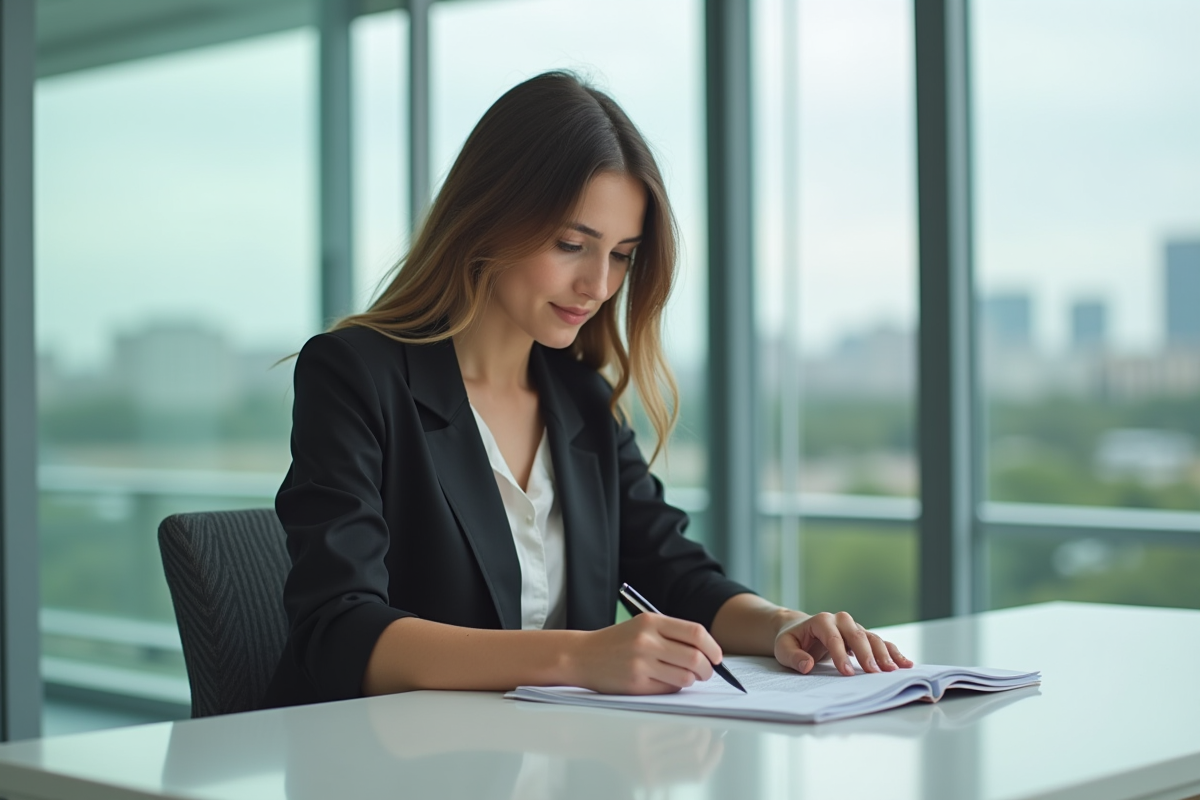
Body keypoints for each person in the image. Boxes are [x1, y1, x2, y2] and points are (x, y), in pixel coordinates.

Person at [262, 71, 911, 709]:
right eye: (573, 244)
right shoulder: (355, 374)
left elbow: (674, 573)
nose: (599, 285)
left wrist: (780, 625)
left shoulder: (581, 399)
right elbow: (338, 631)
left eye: (622, 254)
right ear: (490, 217)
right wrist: (577, 657)